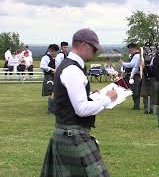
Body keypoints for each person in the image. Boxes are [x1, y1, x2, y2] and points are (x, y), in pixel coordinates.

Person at [41, 28, 118, 177]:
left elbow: (69, 99)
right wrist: (107, 98)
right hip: (72, 135)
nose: (95, 52)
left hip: (66, 133)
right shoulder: (72, 69)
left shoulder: (68, 65)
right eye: (94, 48)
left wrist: (89, 95)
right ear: (83, 45)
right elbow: (81, 109)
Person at [120, 43, 141, 110]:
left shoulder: (136, 56)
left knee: (135, 91)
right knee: (134, 90)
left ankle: (136, 106)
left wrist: (122, 63)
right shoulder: (134, 56)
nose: (129, 51)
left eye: (131, 49)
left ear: (135, 49)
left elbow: (131, 65)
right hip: (134, 75)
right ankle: (136, 105)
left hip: (136, 76)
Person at [40, 44, 59, 114]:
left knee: (55, 93)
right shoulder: (45, 58)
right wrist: (52, 69)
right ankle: (50, 110)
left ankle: (54, 109)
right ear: (50, 51)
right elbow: (42, 66)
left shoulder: (53, 57)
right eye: (55, 52)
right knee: (52, 93)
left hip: (54, 76)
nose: (56, 53)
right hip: (49, 77)